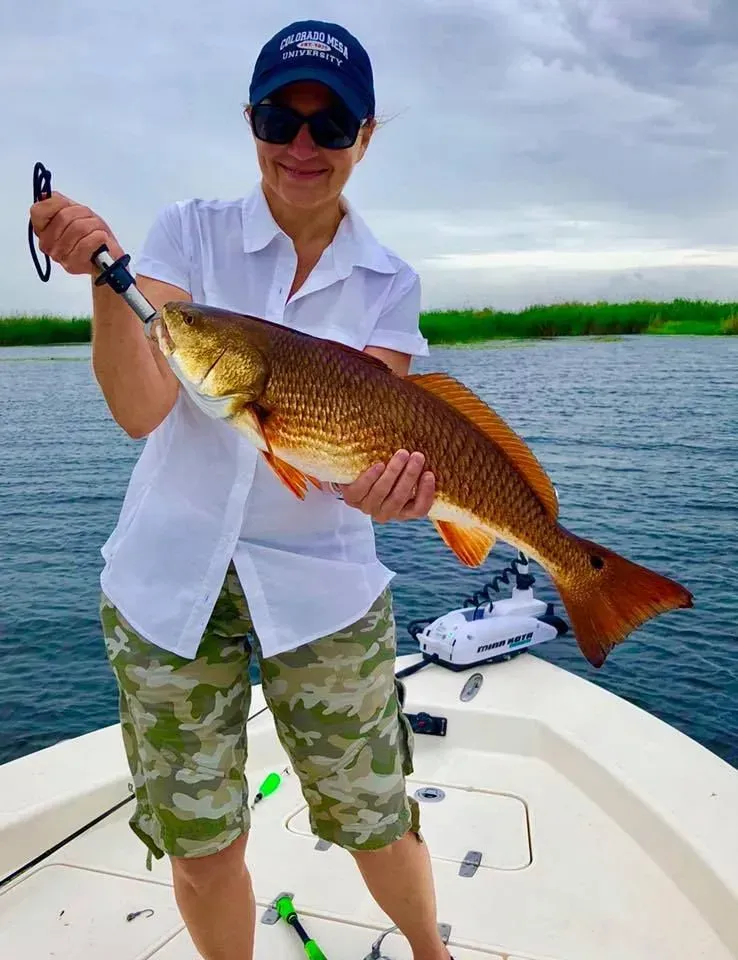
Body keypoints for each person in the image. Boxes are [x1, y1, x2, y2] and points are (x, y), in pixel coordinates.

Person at [29, 19, 453, 960]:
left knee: (377, 817)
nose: (302, 144)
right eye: (278, 118)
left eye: (330, 124)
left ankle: (434, 953)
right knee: (202, 841)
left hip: (324, 589)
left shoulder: (390, 281)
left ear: (365, 135)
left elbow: (363, 454)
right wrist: (106, 285)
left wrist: (388, 491)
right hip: (168, 582)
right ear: (250, 121)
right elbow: (141, 408)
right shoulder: (188, 233)